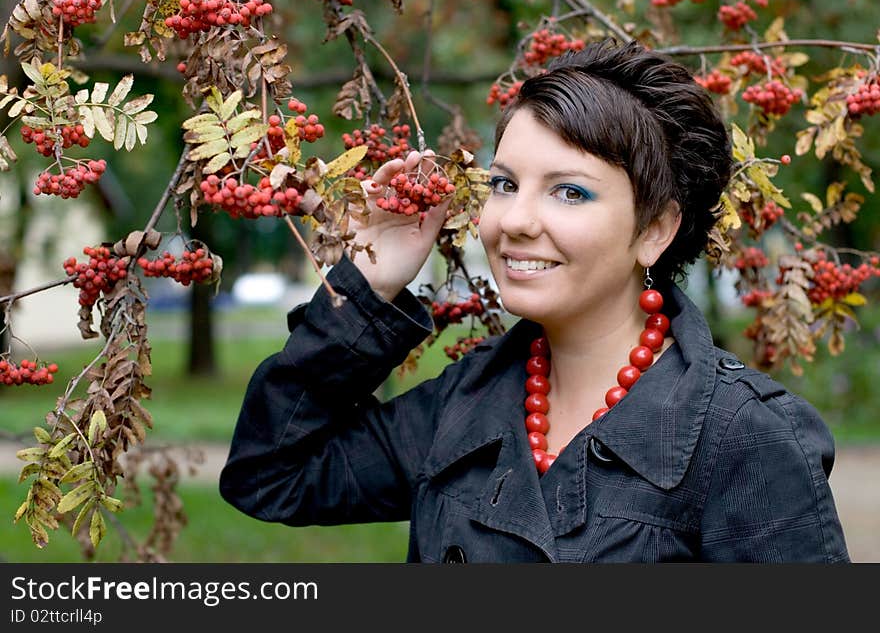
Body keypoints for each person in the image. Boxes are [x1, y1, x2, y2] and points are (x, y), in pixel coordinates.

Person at [219, 39, 850, 563]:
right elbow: (272, 477)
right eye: (504, 183)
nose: (515, 220)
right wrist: (370, 282)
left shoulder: (746, 437)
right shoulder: (468, 400)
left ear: (655, 229)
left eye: (569, 192)